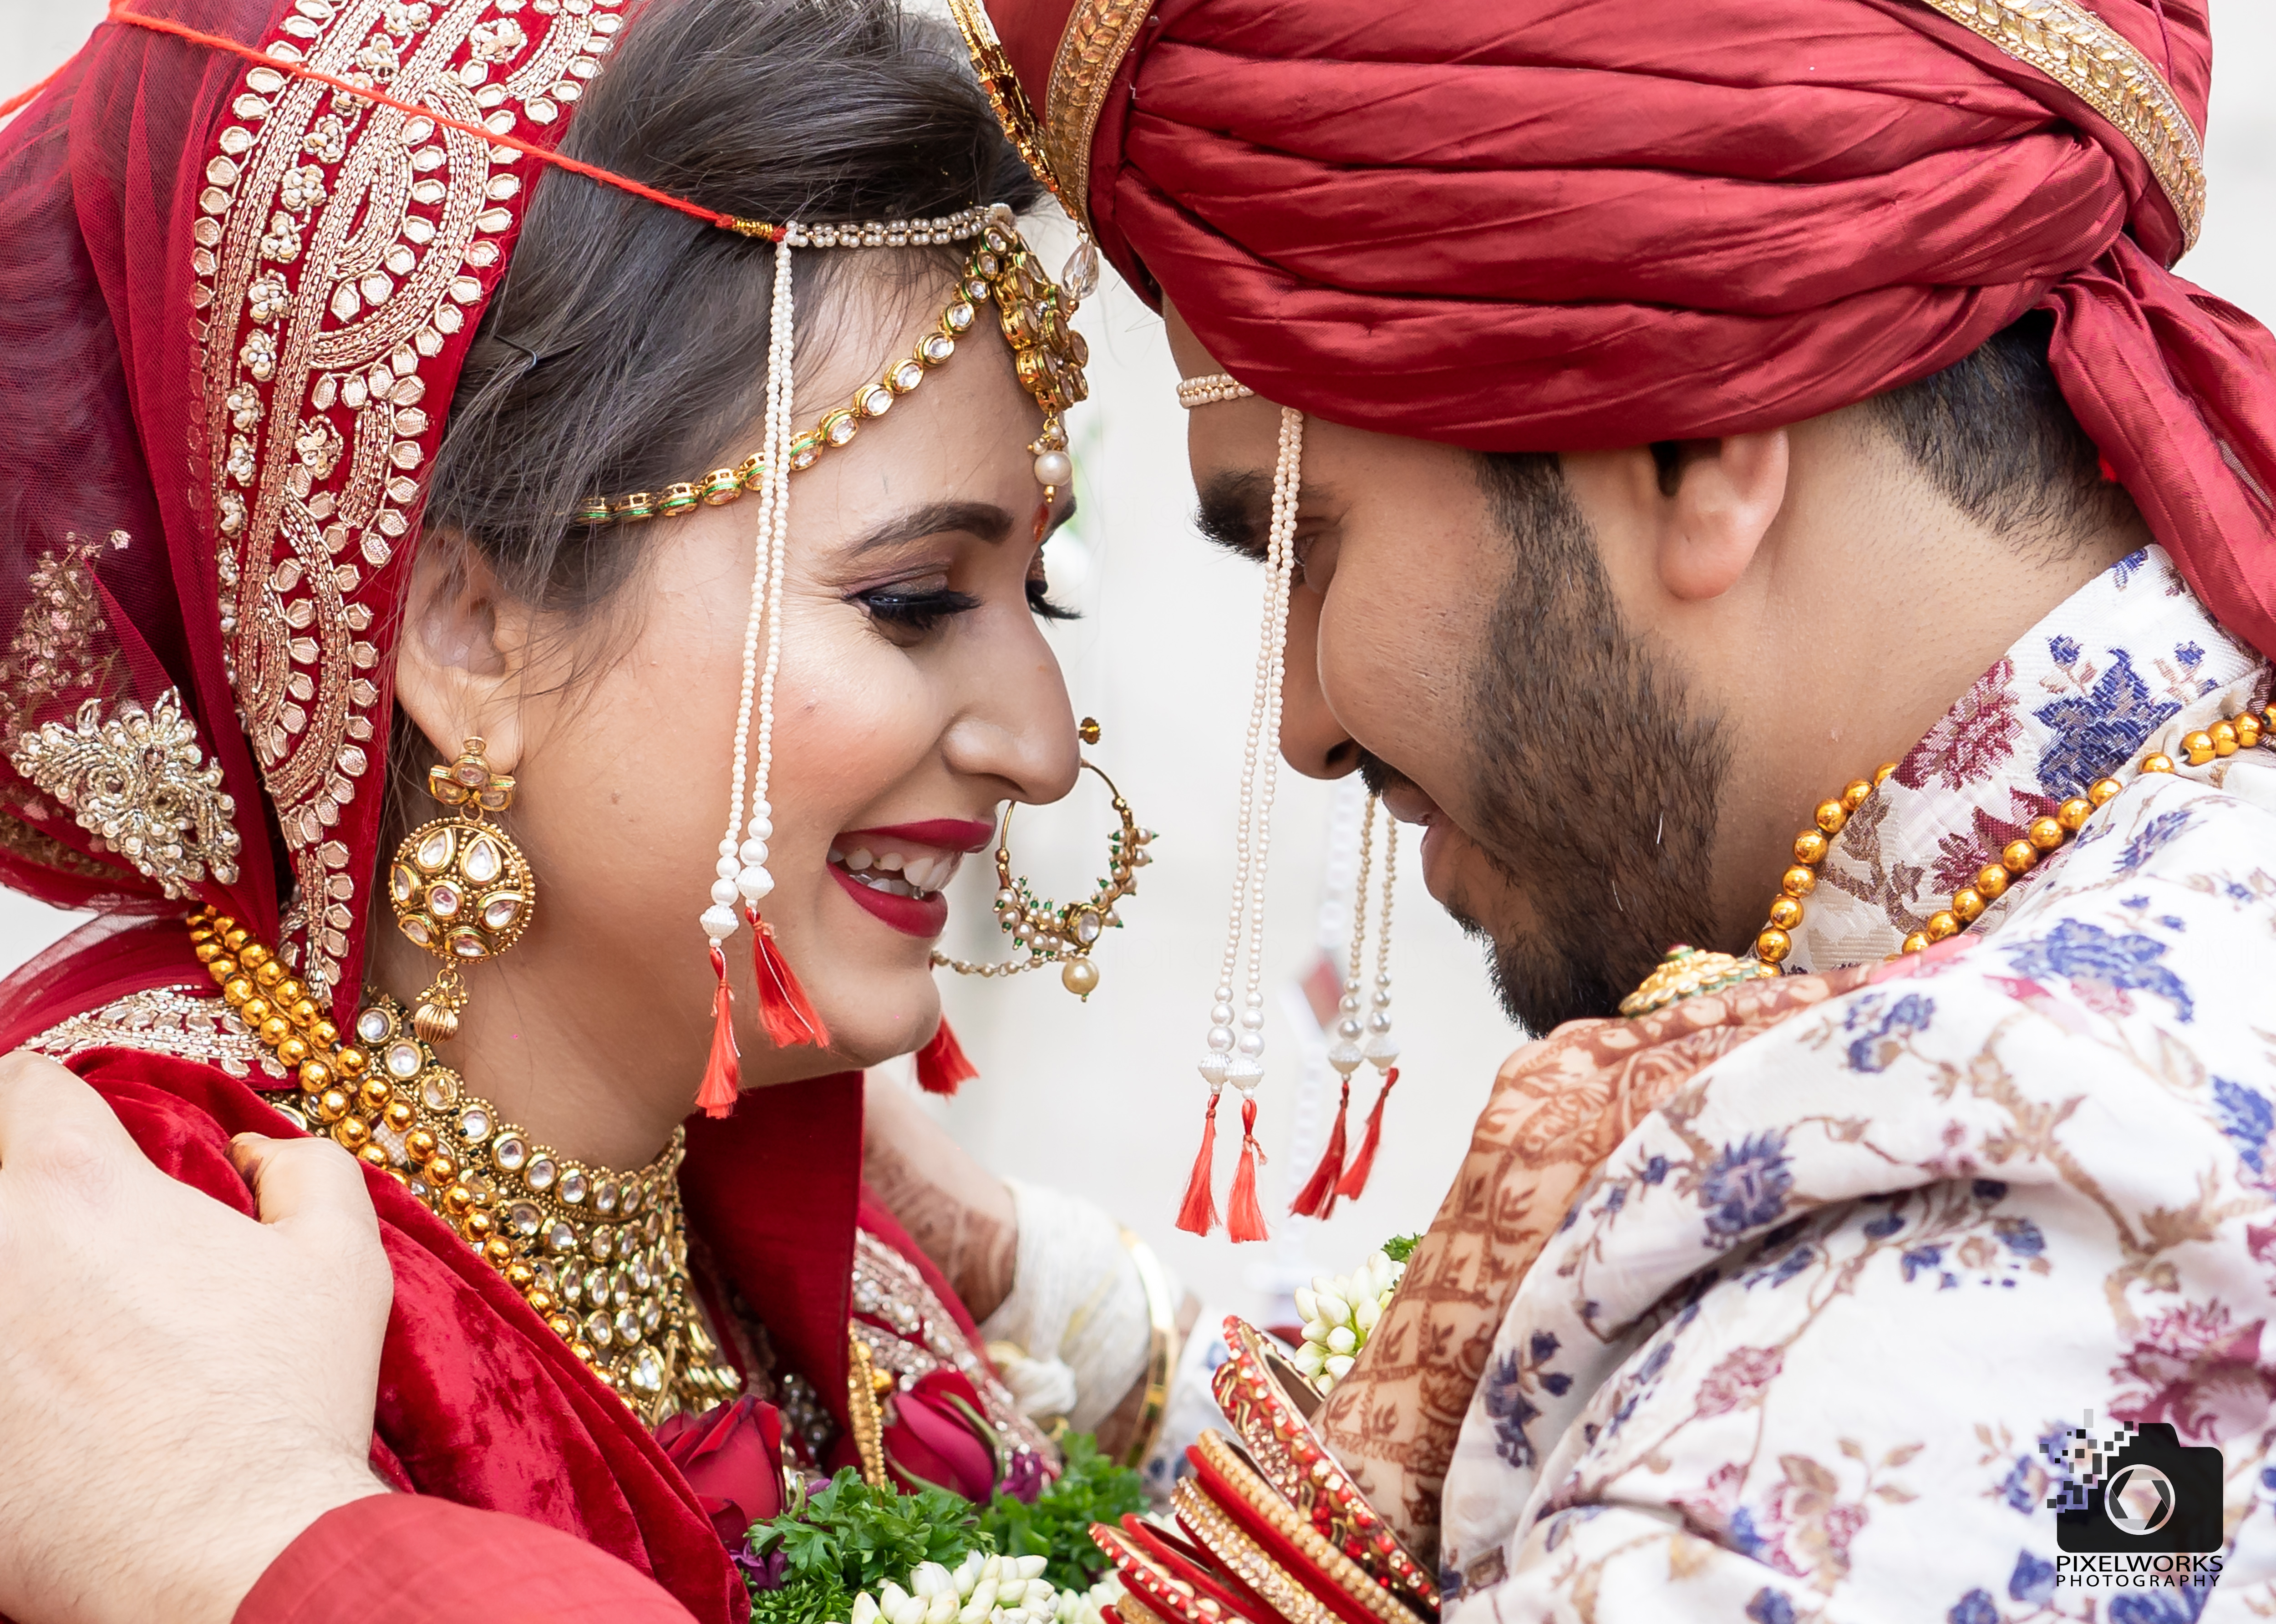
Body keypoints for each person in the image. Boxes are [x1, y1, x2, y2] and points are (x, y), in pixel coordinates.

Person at [945, 0, 2276, 1617]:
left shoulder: (2029, 1177)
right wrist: (1025, 1277)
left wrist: (1302, 1549)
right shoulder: (2106, 938)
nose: (1300, 725)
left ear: (1696, 444)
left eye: (1313, 546)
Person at [0, 0, 1200, 1616]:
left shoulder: (817, 1259)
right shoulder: (125, 1270)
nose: (1042, 746)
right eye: (914, 599)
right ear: (468, 631)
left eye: (1034, 598)